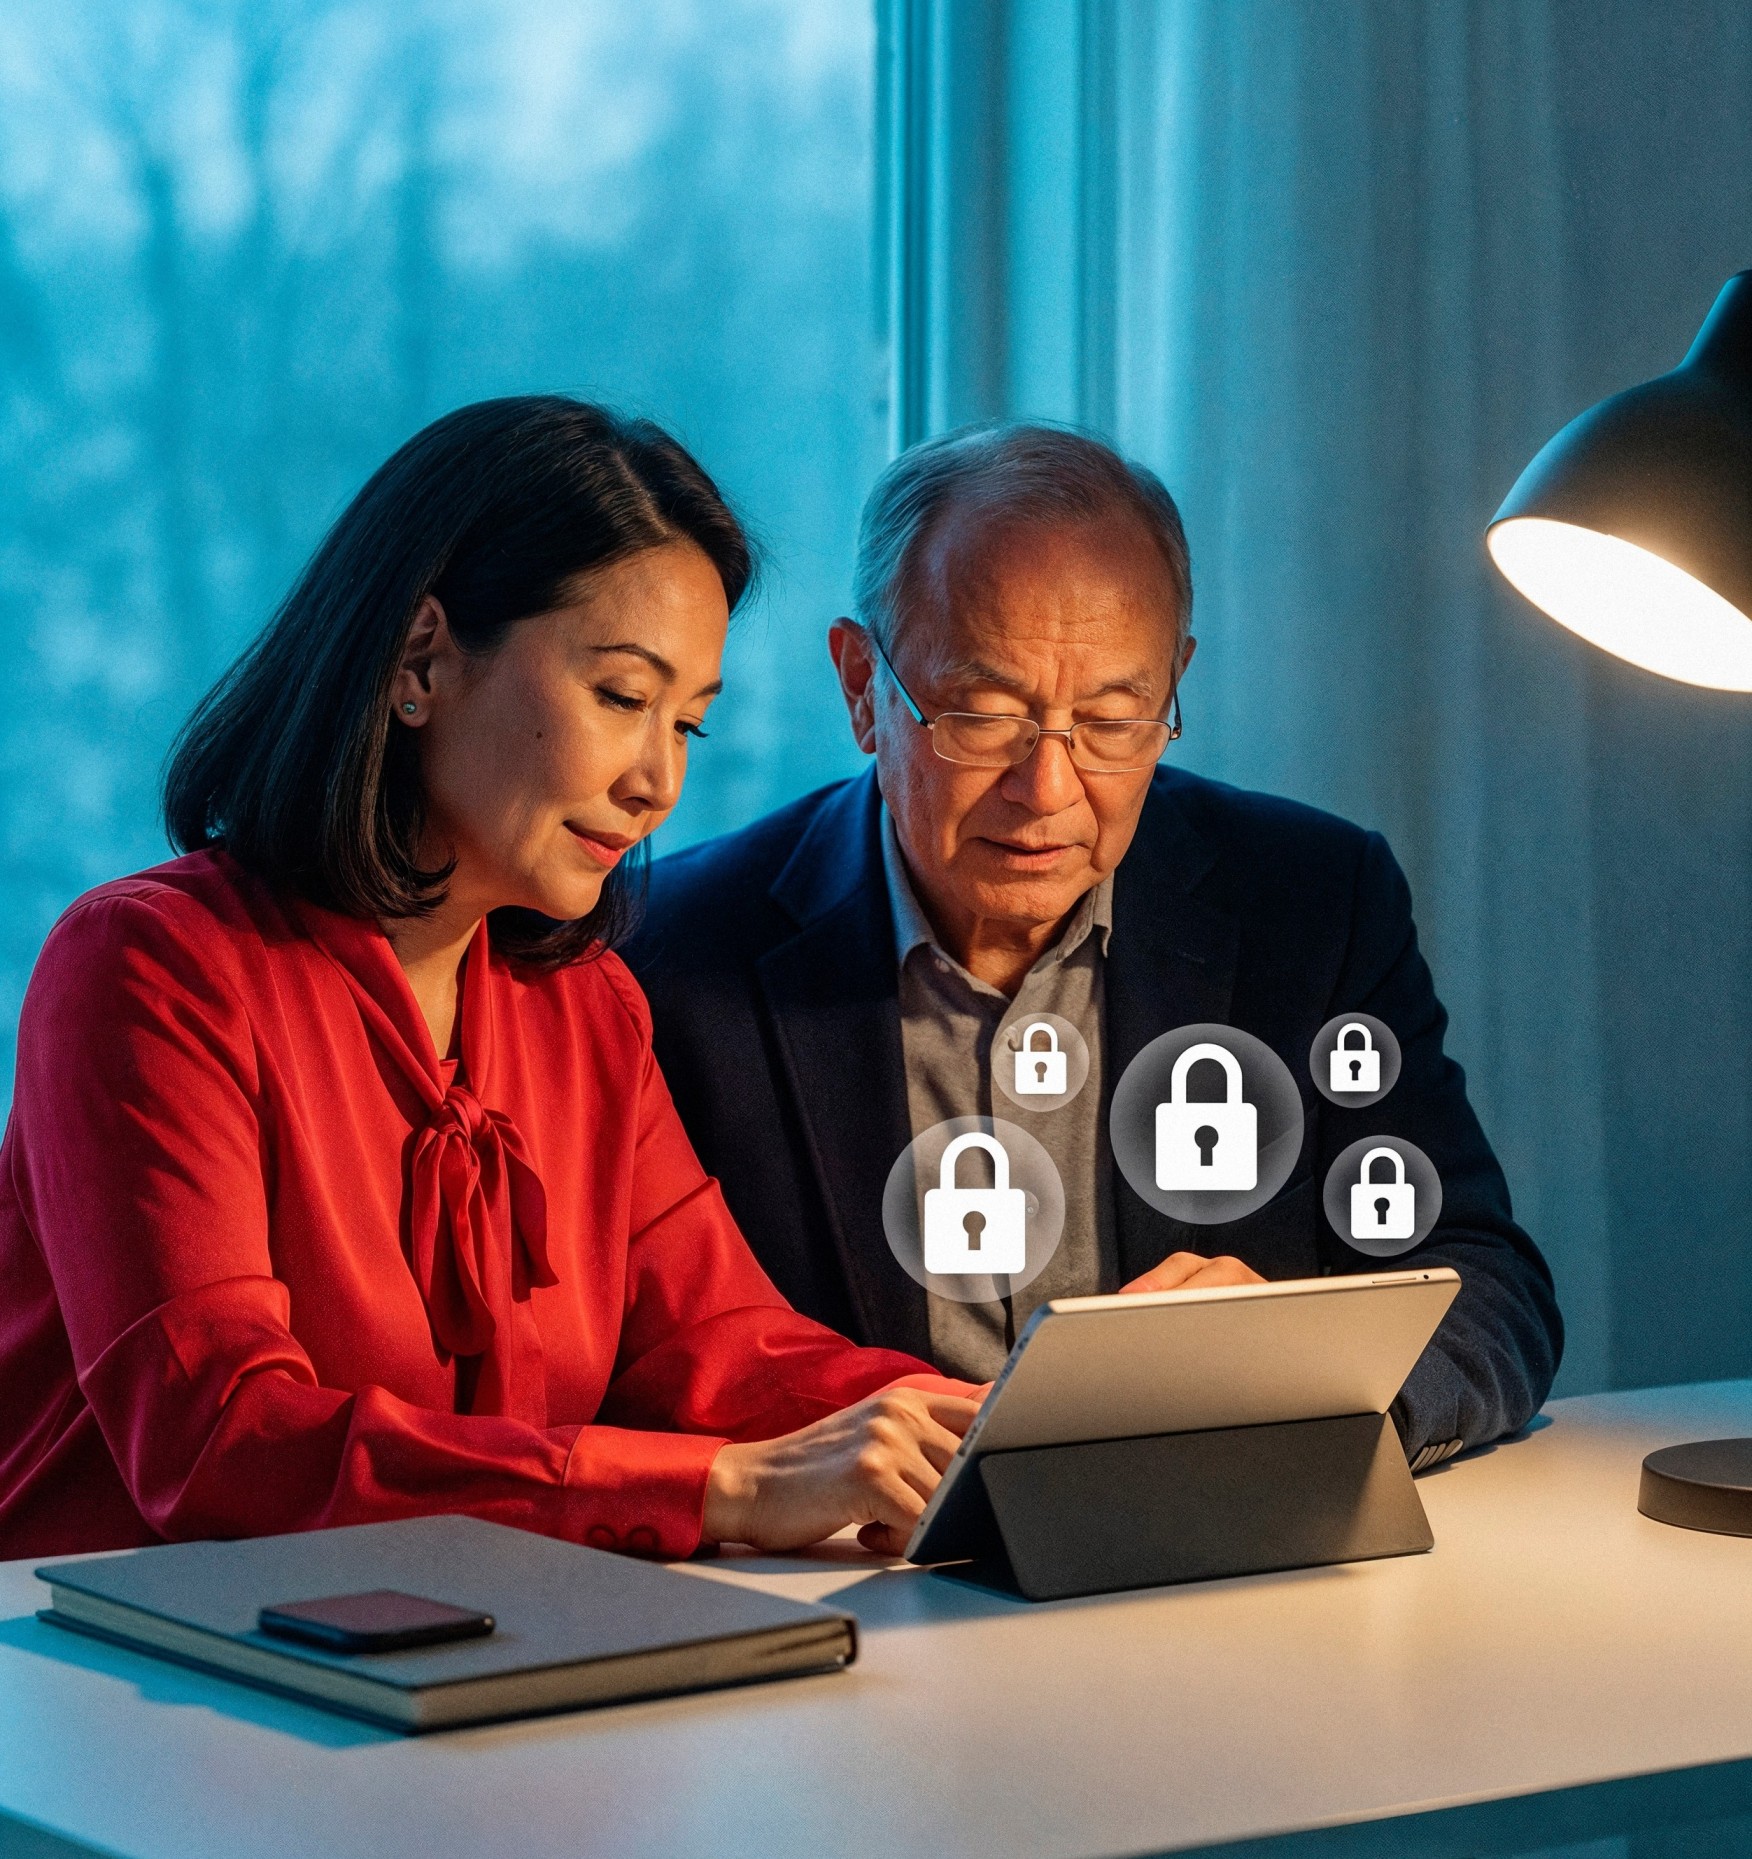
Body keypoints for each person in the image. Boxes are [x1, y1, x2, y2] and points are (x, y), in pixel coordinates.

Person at [0, 397, 983, 1562]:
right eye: (622, 697)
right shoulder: (149, 971)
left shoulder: (584, 1005)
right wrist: (714, 1488)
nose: (657, 781)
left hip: (453, 1645)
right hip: (117, 1681)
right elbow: (224, 1440)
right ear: (421, 658)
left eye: (689, 725)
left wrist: (1026, 1415)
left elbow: (724, 1346)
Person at [625, 423, 1563, 1468]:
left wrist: (1319, 1392)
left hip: (1224, 1560)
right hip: (871, 1580)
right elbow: (634, 1368)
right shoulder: (671, 949)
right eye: (981, 716)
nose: (1049, 791)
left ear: (1174, 684)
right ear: (861, 685)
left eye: (1116, 721)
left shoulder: (1311, 901)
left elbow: (1488, 1279)